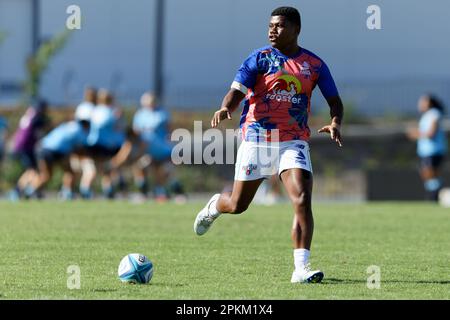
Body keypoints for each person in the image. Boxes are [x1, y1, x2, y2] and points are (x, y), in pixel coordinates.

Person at [193, 6, 344, 284]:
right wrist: (226, 107)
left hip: (294, 141)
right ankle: (216, 206)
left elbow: (335, 101)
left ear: (296, 29)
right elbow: (236, 91)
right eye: (271, 25)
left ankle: (301, 268)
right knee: (238, 205)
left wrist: (335, 121)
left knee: (302, 199)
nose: (272, 30)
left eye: (280, 26)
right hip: (258, 138)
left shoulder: (314, 65)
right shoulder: (259, 58)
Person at [28, 106, 92, 199]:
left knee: (47, 175)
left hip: (43, 148)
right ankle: (66, 192)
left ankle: (28, 191)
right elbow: (79, 150)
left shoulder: (69, 125)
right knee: (67, 173)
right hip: (53, 151)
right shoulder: (80, 131)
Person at [132, 92, 184, 201]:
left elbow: (169, 130)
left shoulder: (162, 114)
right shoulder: (140, 115)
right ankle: (144, 192)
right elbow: (136, 132)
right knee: (140, 166)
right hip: (148, 152)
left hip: (163, 150)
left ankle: (174, 192)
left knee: (166, 171)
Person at [83, 89, 125, 199]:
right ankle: (109, 188)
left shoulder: (94, 110)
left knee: (93, 169)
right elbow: (118, 129)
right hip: (106, 146)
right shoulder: (113, 112)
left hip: (91, 144)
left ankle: (85, 189)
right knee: (108, 168)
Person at [407, 94, 447, 201]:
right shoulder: (426, 115)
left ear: (430, 103)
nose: (420, 104)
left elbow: (431, 133)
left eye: (423, 101)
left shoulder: (434, 114)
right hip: (425, 151)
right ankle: (435, 196)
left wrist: (416, 134)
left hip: (433, 151)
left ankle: (436, 196)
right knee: (428, 176)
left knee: (430, 175)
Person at [10, 100, 50, 199]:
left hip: (21, 146)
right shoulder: (36, 117)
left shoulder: (29, 115)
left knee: (31, 170)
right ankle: (28, 190)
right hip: (25, 147)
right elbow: (43, 125)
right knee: (33, 171)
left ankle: (21, 190)